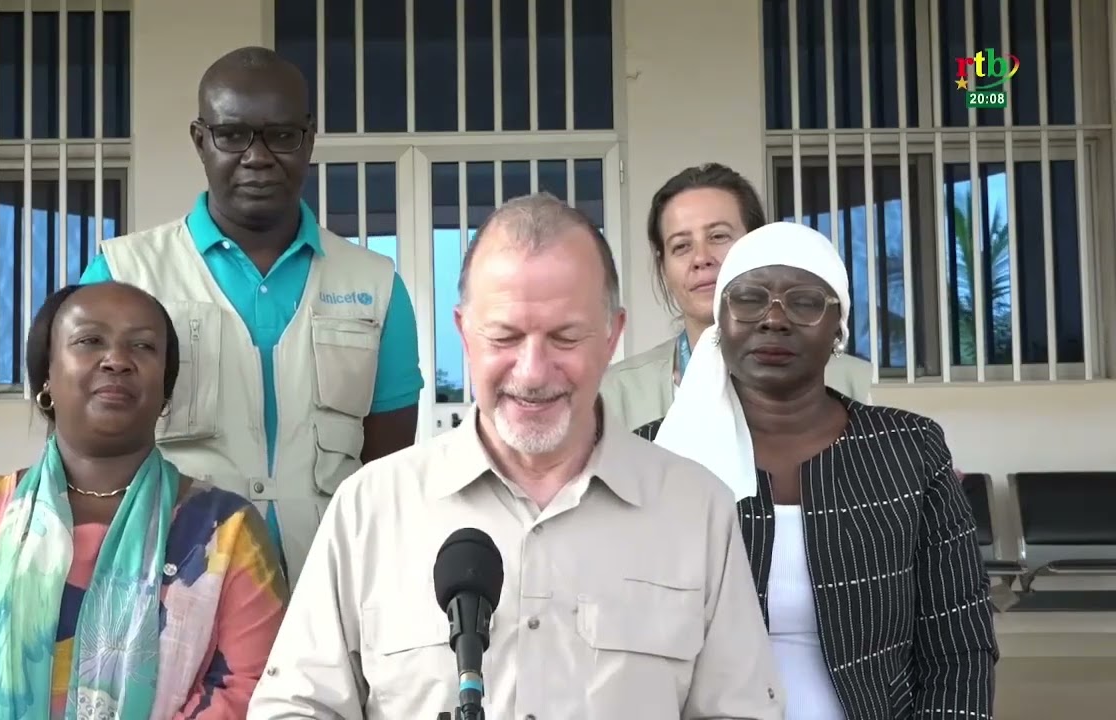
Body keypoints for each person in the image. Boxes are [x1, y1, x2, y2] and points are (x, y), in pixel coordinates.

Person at [247, 193, 784, 720]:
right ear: (463, 334)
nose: (532, 371)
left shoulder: (696, 510)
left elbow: (742, 710)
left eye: (565, 337)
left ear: (612, 336)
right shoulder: (370, 508)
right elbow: (296, 706)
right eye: (504, 337)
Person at [78, 46, 425, 589]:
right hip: (166, 591)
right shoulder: (122, 275)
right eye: (233, 135)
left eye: (281, 135)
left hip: (328, 593)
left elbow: (388, 471)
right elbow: (83, 450)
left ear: (308, 139)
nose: (257, 156)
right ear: (200, 139)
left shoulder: (376, 286)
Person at [0, 282, 288, 719]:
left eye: (143, 346)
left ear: (166, 389)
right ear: (46, 376)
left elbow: (254, 688)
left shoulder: (228, 530)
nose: (117, 360)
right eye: (89, 341)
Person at [651, 222, 998, 719]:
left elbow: (959, 642)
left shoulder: (909, 450)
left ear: (839, 328)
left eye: (806, 302)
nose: (774, 319)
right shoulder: (655, 454)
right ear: (721, 320)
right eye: (749, 299)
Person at [601, 163, 872, 434]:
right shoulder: (620, 395)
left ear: (759, 248)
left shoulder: (847, 382)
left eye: (718, 236)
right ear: (664, 269)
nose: (701, 258)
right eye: (681, 246)